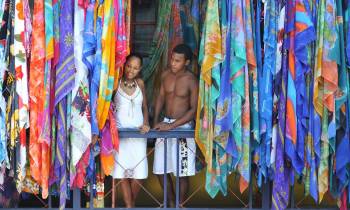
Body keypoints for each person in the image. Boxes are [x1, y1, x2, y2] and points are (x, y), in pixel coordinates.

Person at [153, 44, 199, 207]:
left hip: (184, 128)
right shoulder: (166, 75)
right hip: (165, 124)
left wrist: (171, 127)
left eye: (177, 61)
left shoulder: (192, 80)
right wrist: (155, 122)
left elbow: (193, 110)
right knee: (160, 169)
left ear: (186, 62)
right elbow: (160, 97)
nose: (173, 63)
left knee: (182, 172)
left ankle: (180, 205)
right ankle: (171, 202)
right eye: (172, 59)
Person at [111, 53, 150, 208]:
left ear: (139, 69)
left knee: (139, 172)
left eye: (135, 68)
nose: (130, 70)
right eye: (129, 66)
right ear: (124, 64)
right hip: (121, 135)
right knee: (122, 174)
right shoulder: (115, 83)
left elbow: (145, 106)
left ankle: (130, 205)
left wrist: (146, 123)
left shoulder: (140, 83)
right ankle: (130, 206)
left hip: (139, 135)